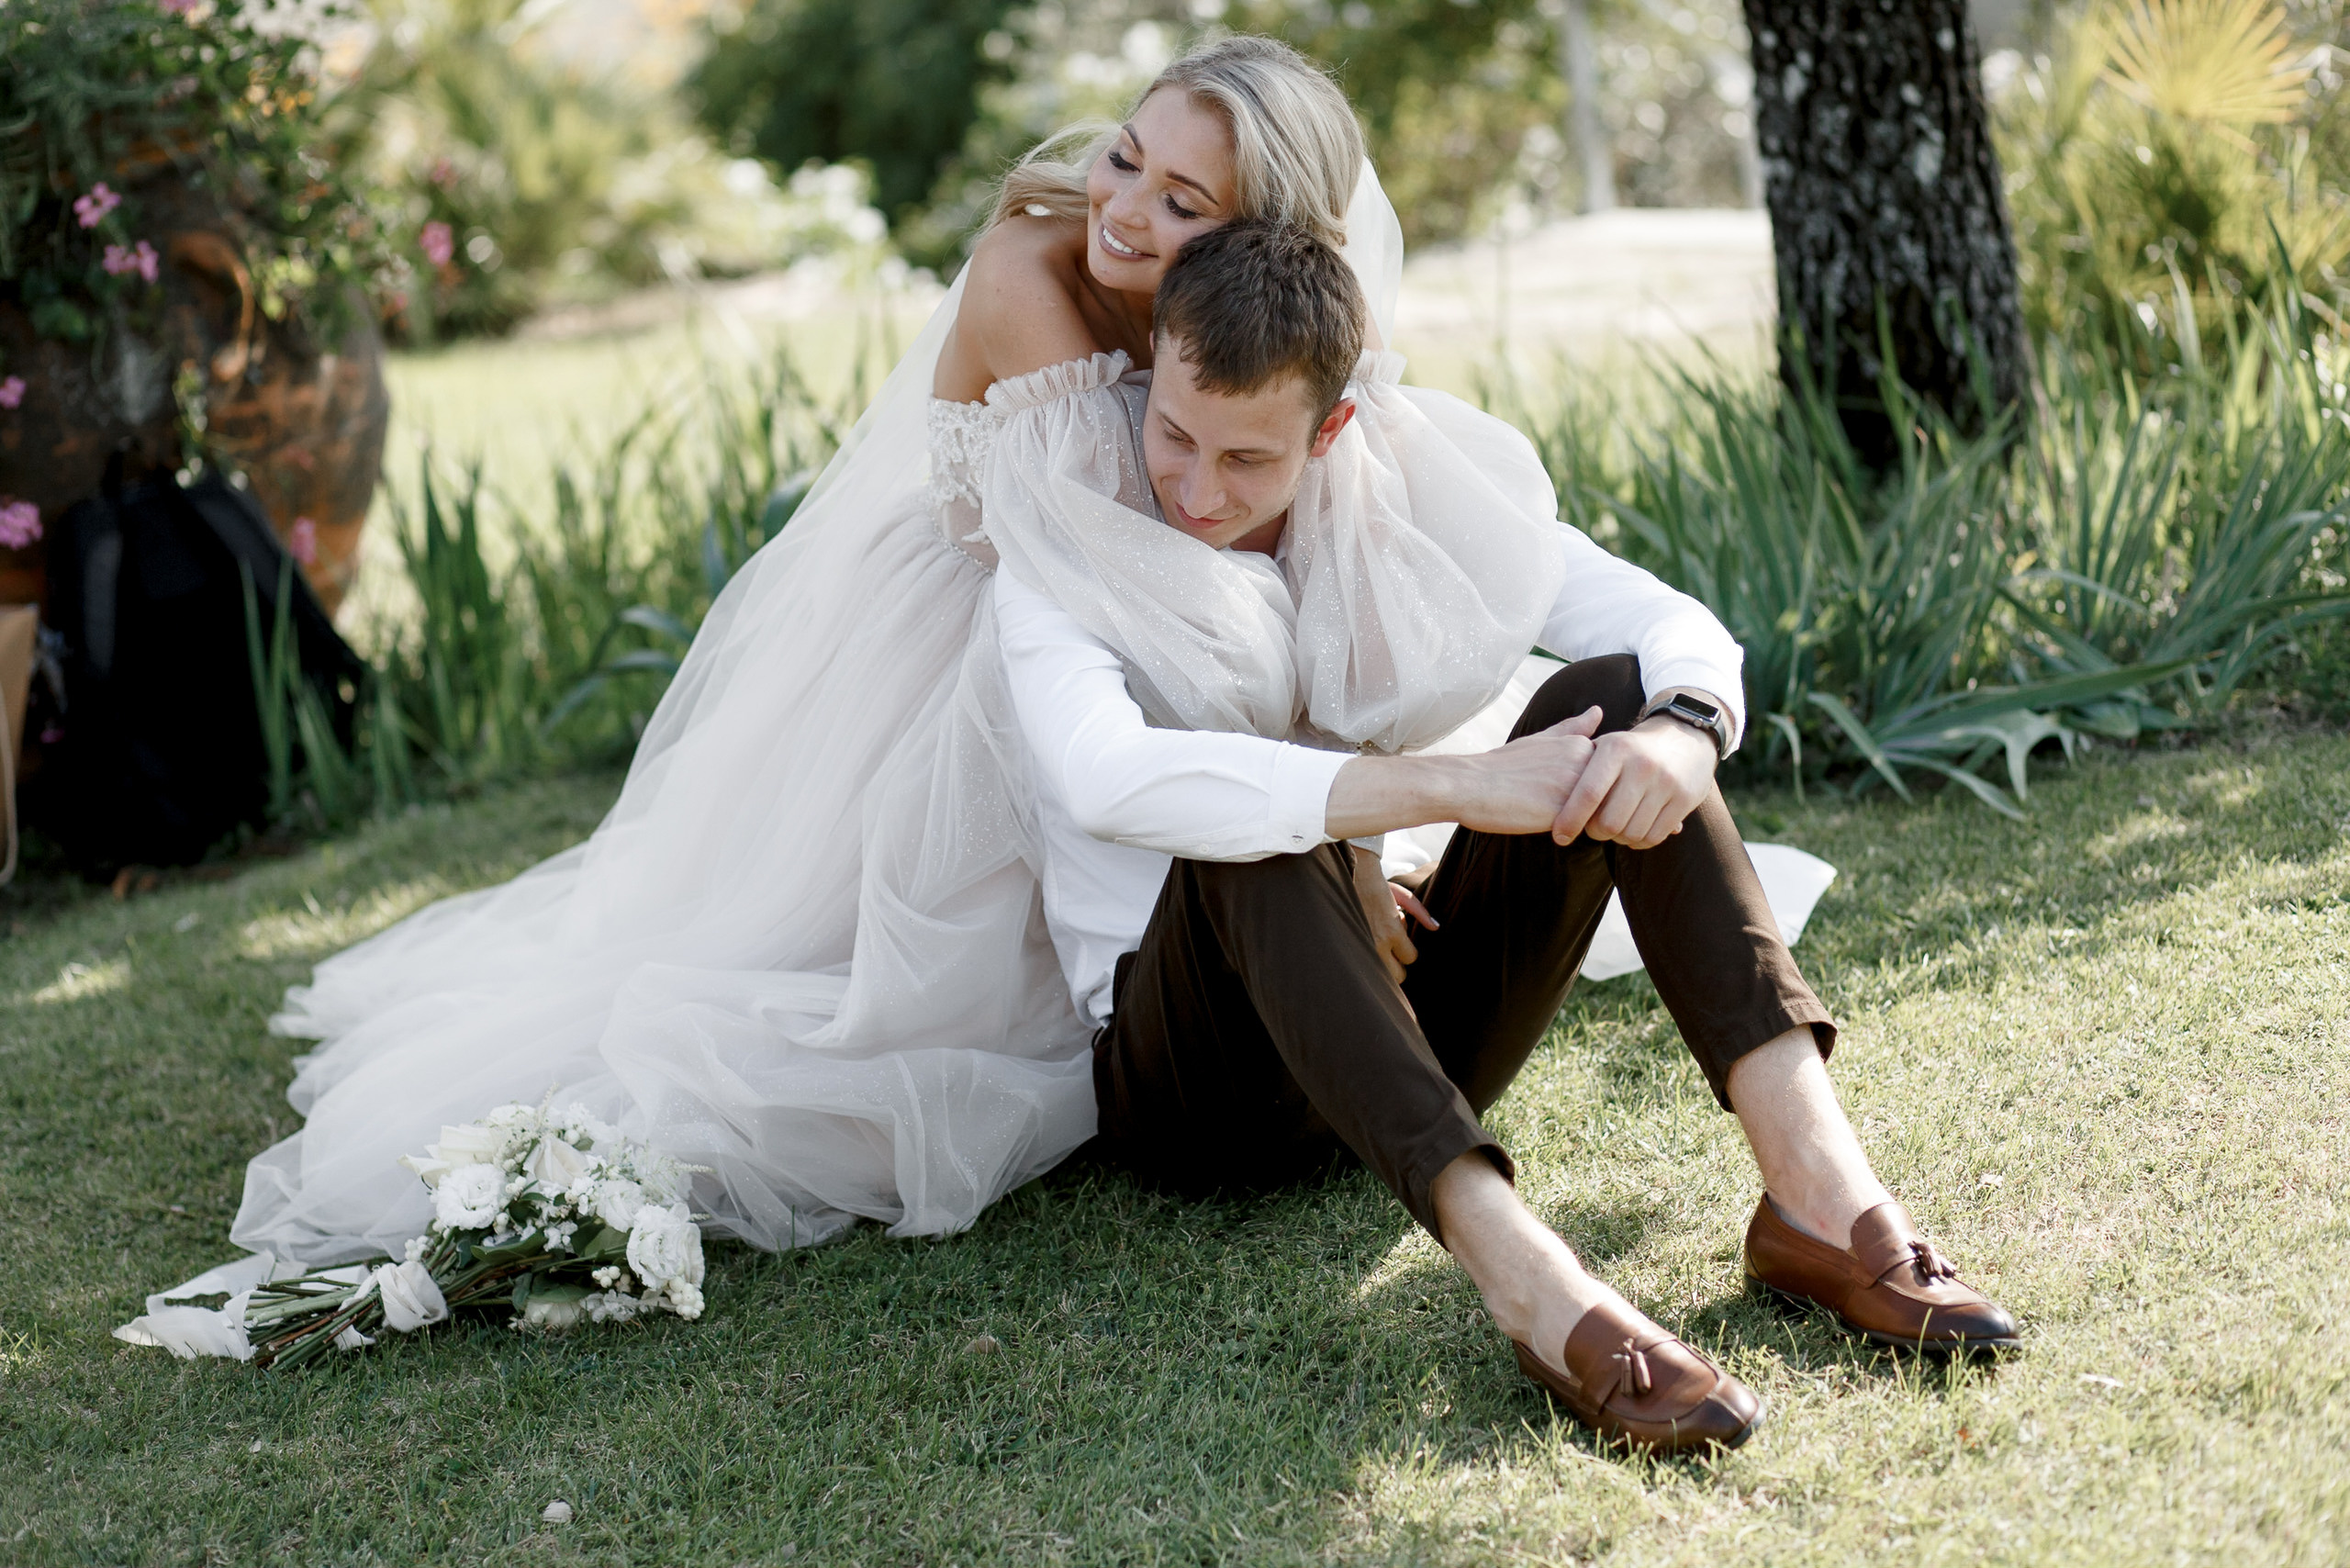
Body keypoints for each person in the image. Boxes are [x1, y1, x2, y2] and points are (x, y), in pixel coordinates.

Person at [982, 219, 2016, 1454]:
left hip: (1407, 1030)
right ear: (1152, 377)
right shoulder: (1059, 549)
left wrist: (1684, 732)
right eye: (1174, 438)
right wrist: (1456, 786)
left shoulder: (1390, 509)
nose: (1197, 491)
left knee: (1620, 695)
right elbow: (1112, 777)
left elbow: (1659, 619)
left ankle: (1818, 1198)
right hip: (1199, 1085)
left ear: (1329, 434)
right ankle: (1531, 1283)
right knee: (1244, 822)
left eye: (1248, 460)